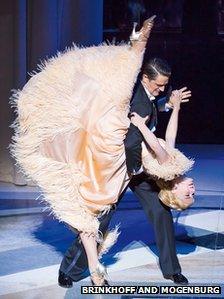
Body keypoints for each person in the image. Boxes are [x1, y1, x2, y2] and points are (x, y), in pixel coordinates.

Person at [58, 61, 193, 285]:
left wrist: (166, 104)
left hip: (142, 168)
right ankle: (69, 270)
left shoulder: (145, 95)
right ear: (145, 78)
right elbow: (132, 139)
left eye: (165, 86)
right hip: (120, 168)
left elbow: (149, 108)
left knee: (161, 212)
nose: (162, 89)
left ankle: (171, 269)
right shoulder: (130, 94)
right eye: (159, 86)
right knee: (99, 222)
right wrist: (128, 169)